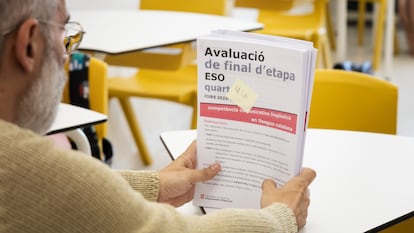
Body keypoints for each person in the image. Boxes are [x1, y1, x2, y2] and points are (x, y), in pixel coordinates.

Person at [0, 0, 316, 232]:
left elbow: (77, 195)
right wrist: (280, 216)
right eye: (65, 38)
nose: (68, 57)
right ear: (29, 45)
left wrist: (155, 185)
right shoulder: (47, 174)